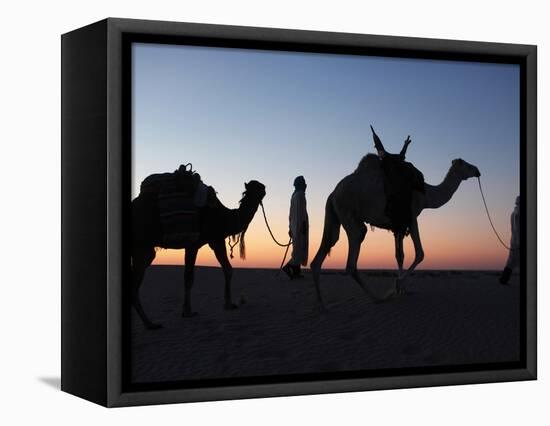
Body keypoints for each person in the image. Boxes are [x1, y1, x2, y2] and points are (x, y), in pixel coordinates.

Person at [370, 125, 424, 235]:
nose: (378, 152)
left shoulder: (389, 158)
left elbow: (401, 156)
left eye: (378, 149)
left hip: (397, 188)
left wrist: (405, 145)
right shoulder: (383, 162)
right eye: (376, 148)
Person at [282, 176, 309, 279]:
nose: (306, 185)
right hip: (299, 227)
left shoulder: (294, 196)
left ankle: (296, 272)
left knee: (297, 248)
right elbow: (300, 212)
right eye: (304, 183)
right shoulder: (300, 195)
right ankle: (288, 267)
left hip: (294, 226)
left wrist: (290, 228)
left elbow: (290, 215)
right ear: (301, 185)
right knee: (299, 249)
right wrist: (302, 226)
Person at [499, 195, 520, 285]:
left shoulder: (513, 213)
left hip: (514, 241)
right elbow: (517, 229)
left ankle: (504, 280)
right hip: (517, 242)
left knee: (511, 262)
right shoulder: (517, 213)